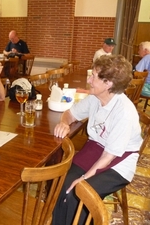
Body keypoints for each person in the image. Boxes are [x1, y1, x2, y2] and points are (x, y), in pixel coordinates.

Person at [52, 55, 142, 225]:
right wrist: (64, 123)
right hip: (96, 149)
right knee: (61, 183)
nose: (89, 79)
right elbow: (70, 113)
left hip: (119, 161)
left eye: (93, 76)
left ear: (108, 83)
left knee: (79, 194)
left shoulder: (124, 113)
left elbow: (109, 156)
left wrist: (85, 177)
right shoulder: (95, 98)